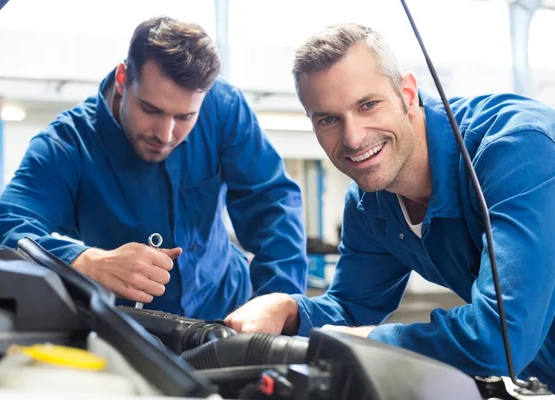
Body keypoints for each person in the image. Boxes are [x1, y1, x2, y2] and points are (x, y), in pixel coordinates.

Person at [224, 23, 555, 387]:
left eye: (368, 105)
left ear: (407, 93)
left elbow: (501, 338)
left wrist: (368, 341)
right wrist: (290, 310)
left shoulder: (517, 149)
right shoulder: (369, 205)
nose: (353, 137)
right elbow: (351, 309)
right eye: (329, 119)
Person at [0, 16, 308, 320]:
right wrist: (86, 261)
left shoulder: (224, 107)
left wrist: (278, 305)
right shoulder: (67, 144)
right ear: (122, 79)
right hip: (129, 330)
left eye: (184, 117)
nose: (165, 134)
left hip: (229, 310)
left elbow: (272, 205)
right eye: (151, 109)